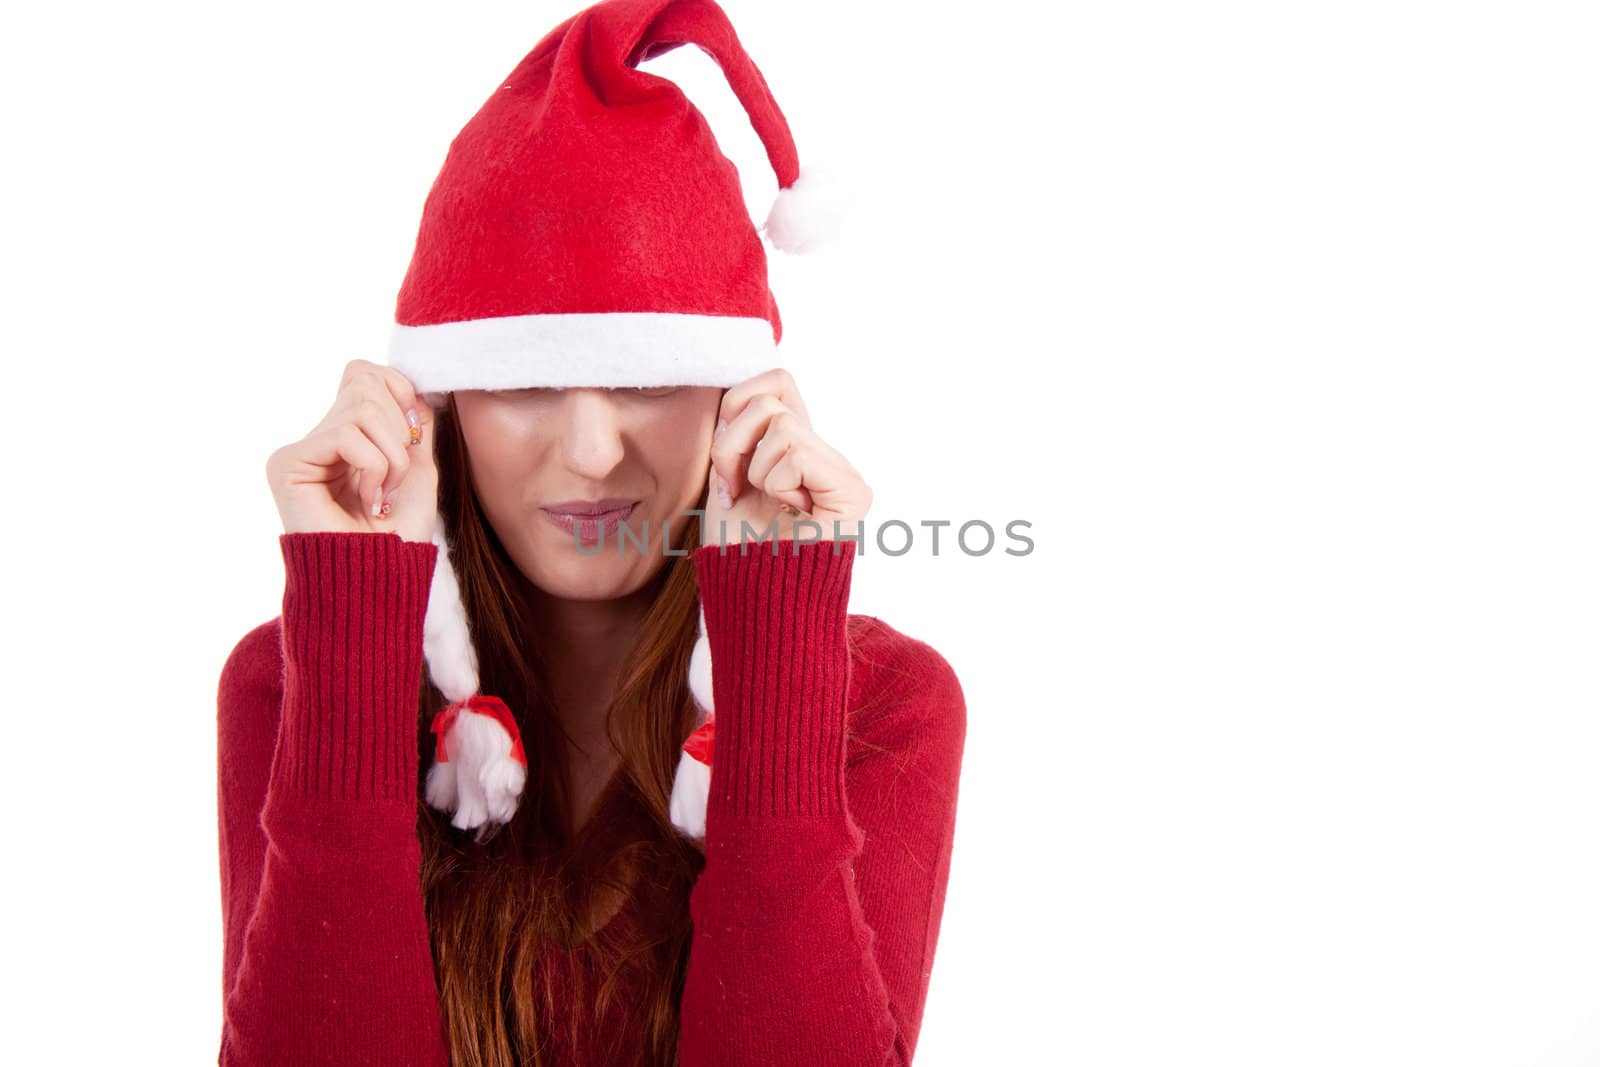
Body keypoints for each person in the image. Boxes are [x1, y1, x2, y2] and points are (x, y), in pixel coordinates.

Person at [215, 1, 966, 1064]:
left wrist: (780, 650)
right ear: (440, 404)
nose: (589, 451)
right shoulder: (293, 683)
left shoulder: (882, 701)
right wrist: (349, 612)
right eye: (520, 382)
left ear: (736, 395)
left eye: (647, 376)